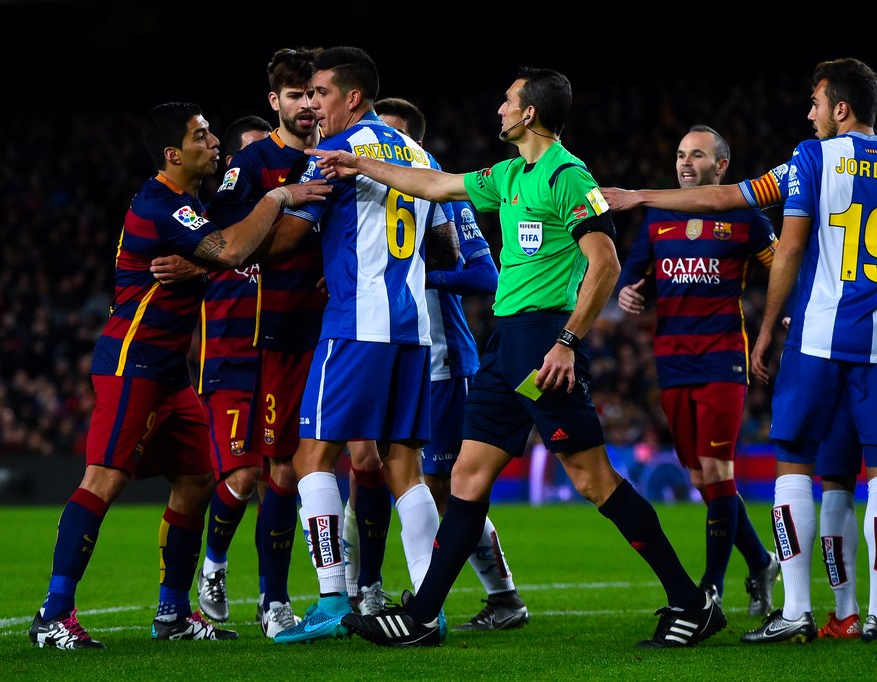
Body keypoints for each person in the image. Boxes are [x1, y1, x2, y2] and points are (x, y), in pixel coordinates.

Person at [310, 66, 725, 648]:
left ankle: (689, 601)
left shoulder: (569, 176)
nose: (499, 109)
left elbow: (604, 264)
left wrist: (569, 342)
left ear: (529, 113)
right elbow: (434, 185)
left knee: (591, 478)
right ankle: (424, 615)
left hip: (544, 347)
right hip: (506, 348)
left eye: (508, 101)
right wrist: (358, 165)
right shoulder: (508, 175)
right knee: (467, 474)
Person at [28, 101, 330, 649]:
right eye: (202, 136)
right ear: (174, 153)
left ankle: (171, 614)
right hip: (132, 361)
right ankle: (53, 614)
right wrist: (279, 196)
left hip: (169, 371)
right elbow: (234, 247)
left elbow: (223, 253)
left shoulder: (188, 204)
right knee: (103, 479)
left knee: (195, 481)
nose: (215, 142)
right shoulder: (160, 203)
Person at [740, 58, 877, 644]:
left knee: (795, 463)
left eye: (816, 103)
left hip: (815, 341)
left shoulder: (812, 159)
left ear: (841, 108)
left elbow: (787, 250)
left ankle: (797, 612)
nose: (809, 114)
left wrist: (763, 331)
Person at [266, 46, 451, 645]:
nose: (313, 105)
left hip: (354, 324)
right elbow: (446, 249)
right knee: (405, 465)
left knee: (310, 457)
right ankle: (429, 606)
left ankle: (328, 599)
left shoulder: (337, 156)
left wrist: (257, 223)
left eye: (320, 94)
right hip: (414, 329)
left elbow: (287, 240)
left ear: (352, 97)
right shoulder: (418, 153)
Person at [369, 96, 529, 630]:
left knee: (446, 487)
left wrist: (421, 276)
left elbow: (486, 278)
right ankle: (370, 590)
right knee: (393, 474)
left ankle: (494, 597)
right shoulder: (369, 202)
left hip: (443, 361)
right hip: (390, 354)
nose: (381, 148)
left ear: (412, 143)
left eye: (391, 138)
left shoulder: (444, 201)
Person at [615, 124, 780, 616]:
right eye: (681, 154)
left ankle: (710, 586)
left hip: (723, 357)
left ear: (721, 166)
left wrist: (780, 313)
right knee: (700, 478)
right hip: (671, 358)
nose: (686, 163)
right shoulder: (658, 218)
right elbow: (633, 271)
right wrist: (628, 290)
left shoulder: (746, 219)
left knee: (717, 469)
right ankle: (760, 561)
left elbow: (783, 267)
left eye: (698, 156)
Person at [189, 114, 271, 626]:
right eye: (252, 156)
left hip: (280, 359)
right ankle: (214, 565)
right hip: (226, 363)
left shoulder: (288, 221)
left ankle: (273, 597)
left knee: (280, 478)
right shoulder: (209, 217)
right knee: (243, 474)